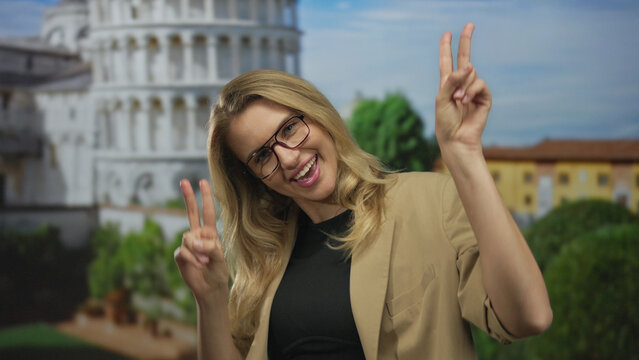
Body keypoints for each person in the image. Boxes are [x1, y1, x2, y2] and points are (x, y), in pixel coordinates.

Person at [174, 23, 552, 360]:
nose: (288, 159)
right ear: (253, 176)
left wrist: (464, 155)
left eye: (289, 129)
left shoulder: (431, 202)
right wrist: (209, 301)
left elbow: (528, 318)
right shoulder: (263, 264)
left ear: (319, 116)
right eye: (261, 156)